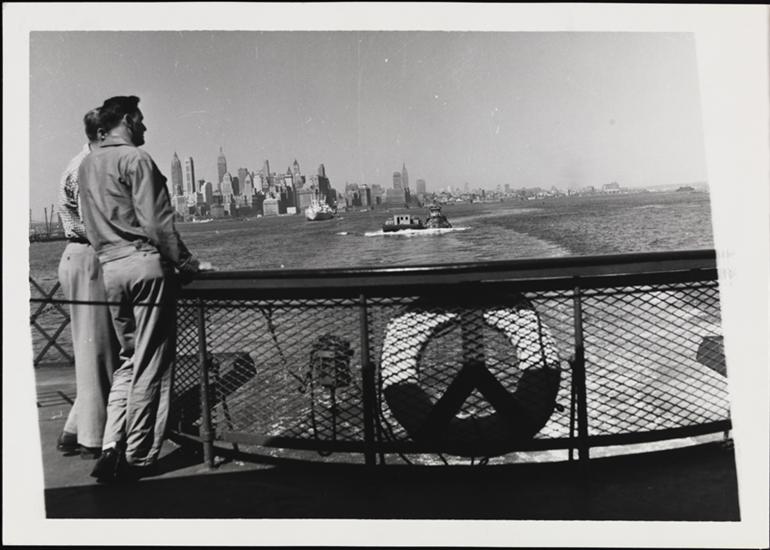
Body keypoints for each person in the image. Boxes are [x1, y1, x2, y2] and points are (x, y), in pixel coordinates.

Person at [78, 95, 212, 482]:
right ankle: (137, 456)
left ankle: (110, 446)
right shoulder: (136, 159)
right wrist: (188, 264)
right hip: (143, 266)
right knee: (151, 363)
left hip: (109, 269)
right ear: (126, 119)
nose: (144, 127)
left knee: (129, 359)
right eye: (140, 119)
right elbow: (157, 224)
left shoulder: (87, 164)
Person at [56, 108, 120, 459]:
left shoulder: (84, 162)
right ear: (101, 134)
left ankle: (73, 430)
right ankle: (93, 440)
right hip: (89, 256)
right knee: (98, 353)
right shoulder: (87, 167)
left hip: (81, 257)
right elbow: (94, 224)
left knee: (95, 349)